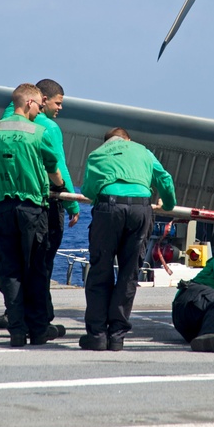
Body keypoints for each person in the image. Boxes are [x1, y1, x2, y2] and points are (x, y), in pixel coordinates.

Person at [0, 79, 80, 332]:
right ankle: (38, 326)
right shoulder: (42, 129)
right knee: (38, 267)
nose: (51, 109)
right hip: (34, 207)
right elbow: (56, 168)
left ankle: (16, 326)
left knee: (10, 269)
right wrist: (69, 200)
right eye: (52, 103)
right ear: (33, 102)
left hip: (0, 207)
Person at [79, 127, 176, 351]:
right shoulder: (143, 151)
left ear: (107, 141)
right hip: (141, 209)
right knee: (129, 273)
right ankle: (117, 336)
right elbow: (164, 178)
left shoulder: (97, 154)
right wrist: (168, 205)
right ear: (128, 139)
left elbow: (89, 190)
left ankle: (97, 335)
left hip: (109, 208)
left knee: (100, 269)